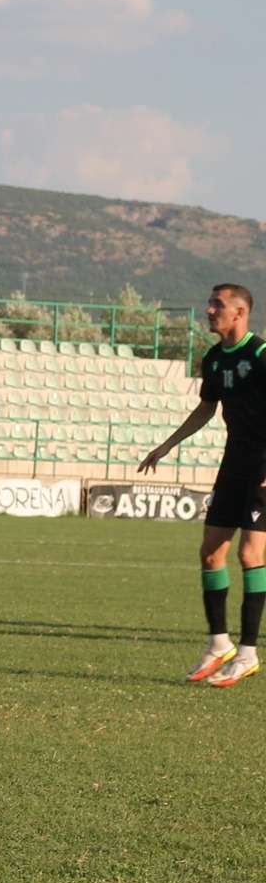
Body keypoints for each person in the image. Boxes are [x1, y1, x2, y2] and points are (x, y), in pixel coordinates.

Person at [139, 283, 266, 686]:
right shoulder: (213, 358)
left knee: (250, 554)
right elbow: (206, 408)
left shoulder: (261, 354)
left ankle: (248, 653)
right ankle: (218, 644)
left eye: (218, 305)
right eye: (210, 303)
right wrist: (167, 445)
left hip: (264, 466)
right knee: (211, 552)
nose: (209, 310)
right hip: (234, 464)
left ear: (240, 313)